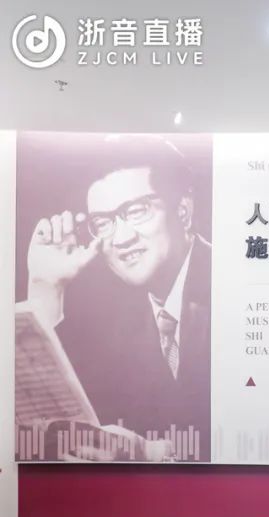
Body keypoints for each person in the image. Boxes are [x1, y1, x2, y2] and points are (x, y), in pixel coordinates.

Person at [23, 134, 210, 461]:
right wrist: (46, 286)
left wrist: (150, 454)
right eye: (104, 223)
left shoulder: (234, 290)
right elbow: (46, 429)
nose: (121, 238)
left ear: (183, 210)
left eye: (137, 211)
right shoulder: (118, 320)